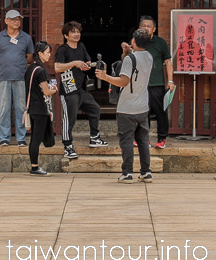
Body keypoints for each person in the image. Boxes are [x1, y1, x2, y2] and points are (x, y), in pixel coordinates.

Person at [98, 28, 154, 183]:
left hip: (127, 107)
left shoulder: (130, 60)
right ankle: (146, 171)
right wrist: (129, 51)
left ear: (133, 41)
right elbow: (135, 62)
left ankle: (127, 172)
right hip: (143, 106)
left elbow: (123, 81)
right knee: (143, 140)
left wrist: (105, 77)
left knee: (127, 140)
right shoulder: (149, 56)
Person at [54, 21, 109, 159]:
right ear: (66, 35)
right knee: (69, 119)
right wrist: (74, 63)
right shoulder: (63, 49)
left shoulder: (82, 46)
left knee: (95, 108)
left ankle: (94, 137)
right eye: (73, 32)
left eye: (78, 32)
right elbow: (57, 67)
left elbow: (88, 61)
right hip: (68, 89)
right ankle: (68, 146)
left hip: (80, 88)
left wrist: (87, 65)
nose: (76, 34)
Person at [0, 9, 34, 146]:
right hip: (3, 77)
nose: (16, 22)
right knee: (4, 108)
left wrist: (18, 66)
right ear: (6, 21)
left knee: (21, 108)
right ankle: (4, 137)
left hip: (20, 77)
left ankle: (21, 138)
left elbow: (29, 56)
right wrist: (4, 65)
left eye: (18, 19)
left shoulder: (26, 38)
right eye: (13, 19)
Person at [137, 15, 175, 149]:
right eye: (143, 26)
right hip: (140, 83)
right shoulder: (137, 42)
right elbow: (127, 58)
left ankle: (161, 138)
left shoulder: (160, 43)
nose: (145, 28)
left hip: (156, 83)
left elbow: (168, 62)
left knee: (160, 111)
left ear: (154, 29)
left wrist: (170, 80)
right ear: (139, 28)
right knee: (142, 112)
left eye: (148, 26)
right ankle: (143, 138)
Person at [25, 41, 58, 176]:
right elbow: (46, 91)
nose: (49, 55)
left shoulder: (30, 69)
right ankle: (34, 167)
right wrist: (54, 90)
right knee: (36, 139)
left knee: (35, 138)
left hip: (32, 107)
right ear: (40, 53)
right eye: (48, 52)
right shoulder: (41, 71)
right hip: (40, 108)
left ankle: (34, 166)